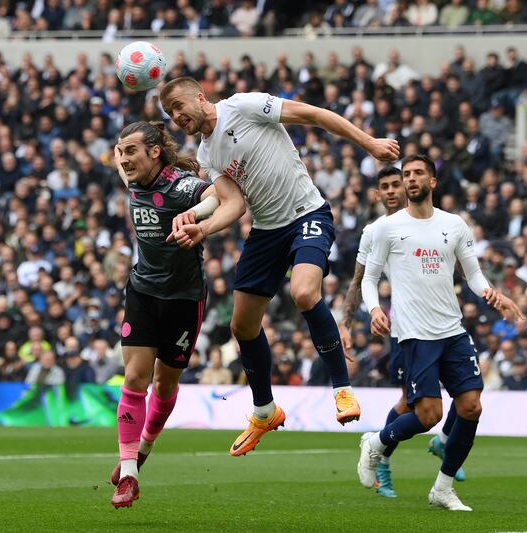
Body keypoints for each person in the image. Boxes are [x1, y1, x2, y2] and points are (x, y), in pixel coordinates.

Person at [159, 76, 399, 457]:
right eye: (170, 113)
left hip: (307, 214)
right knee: (242, 325)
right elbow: (234, 205)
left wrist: (368, 143)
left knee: (304, 292)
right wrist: (200, 227)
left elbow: (313, 114)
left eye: (178, 107)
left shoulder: (244, 106)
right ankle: (264, 411)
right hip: (267, 229)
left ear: (201, 98)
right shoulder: (207, 154)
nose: (176, 117)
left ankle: (342, 389)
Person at [358, 155, 522, 511]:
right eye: (406, 175)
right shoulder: (388, 228)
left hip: (452, 329)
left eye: (418, 174)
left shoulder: (455, 225)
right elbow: (370, 279)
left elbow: (473, 275)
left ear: (433, 181)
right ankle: (377, 442)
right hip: (415, 334)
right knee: (429, 415)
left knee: (471, 406)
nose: (411, 179)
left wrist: (495, 296)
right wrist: (374, 309)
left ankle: (443, 488)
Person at [107, 121, 242, 508]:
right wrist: (123, 154)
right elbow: (122, 164)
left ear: (154, 152)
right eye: (120, 150)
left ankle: (142, 451)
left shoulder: (180, 184)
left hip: (184, 298)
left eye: (131, 150)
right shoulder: (132, 177)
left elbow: (220, 194)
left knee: (165, 388)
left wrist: (194, 214)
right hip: (143, 292)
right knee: (134, 377)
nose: (124, 158)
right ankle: (128, 474)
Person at [339, 166, 465, 498]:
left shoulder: (437, 223)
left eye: (398, 183)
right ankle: (381, 457)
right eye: (386, 186)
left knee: (465, 391)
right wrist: (347, 322)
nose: (394, 189)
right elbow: (360, 280)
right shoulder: (376, 231)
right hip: (405, 329)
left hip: (444, 323)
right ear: (378, 195)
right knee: (412, 404)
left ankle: (444, 441)